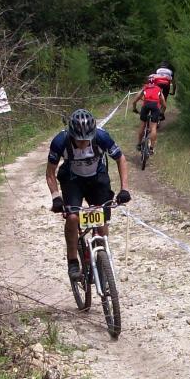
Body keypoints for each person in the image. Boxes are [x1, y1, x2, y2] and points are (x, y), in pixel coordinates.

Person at [46, 109, 131, 281]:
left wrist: (124, 189)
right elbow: (50, 173)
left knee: (101, 219)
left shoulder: (101, 137)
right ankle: (73, 262)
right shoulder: (60, 141)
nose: (84, 143)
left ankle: (102, 259)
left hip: (97, 179)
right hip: (72, 180)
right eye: (79, 140)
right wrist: (56, 197)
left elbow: (120, 159)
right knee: (72, 218)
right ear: (72, 135)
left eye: (87, 139)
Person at [131, 77, 167, 155]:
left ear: (147, 82)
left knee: (142, 126)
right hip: (155, 107)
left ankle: (139, 144)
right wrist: (162, 113)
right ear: (156, 83)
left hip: (146, 106)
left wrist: (134, 109)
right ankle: (151, 148)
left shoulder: (145, 88)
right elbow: (164, 104)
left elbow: (134, 101)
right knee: (153, 127)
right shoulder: (158, 89)